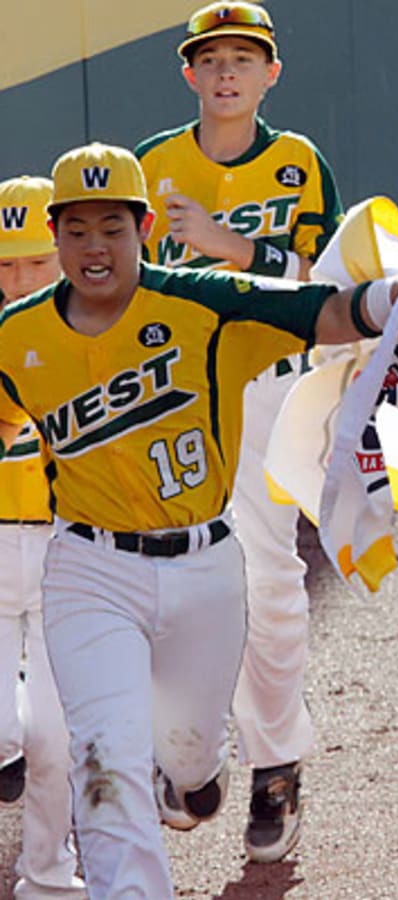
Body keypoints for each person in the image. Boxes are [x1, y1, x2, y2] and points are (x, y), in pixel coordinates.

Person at [0, 141, 398, 899]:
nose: (95, 247)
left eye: (113, 228)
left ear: (145, 228)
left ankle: (195, 766)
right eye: (78, 229)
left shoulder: (201, 303)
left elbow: (318, 310)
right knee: (107, 761)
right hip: (88, 570)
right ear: (55, 236)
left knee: (187, 757)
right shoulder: (16, 337)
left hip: (204, 570)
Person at [134, 0, 343, 863]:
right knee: (152, 572)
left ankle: (276, 764)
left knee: (268, 575)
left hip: (264, 383)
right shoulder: (150, 163)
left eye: (243, 58)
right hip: (175, 388)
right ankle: (187, 755)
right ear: (189, 72)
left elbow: (321, 278)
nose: (226, 72)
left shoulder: (297, 161)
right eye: (211, 58)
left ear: (270, 73)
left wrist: (230, 247)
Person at [0, 175, 86, 899]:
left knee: (53, 739)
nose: (20, 276)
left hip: (65, 550)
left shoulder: (94, 332)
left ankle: (48, 878)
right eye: (6, 263)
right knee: (7, 728)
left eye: (33, 259)